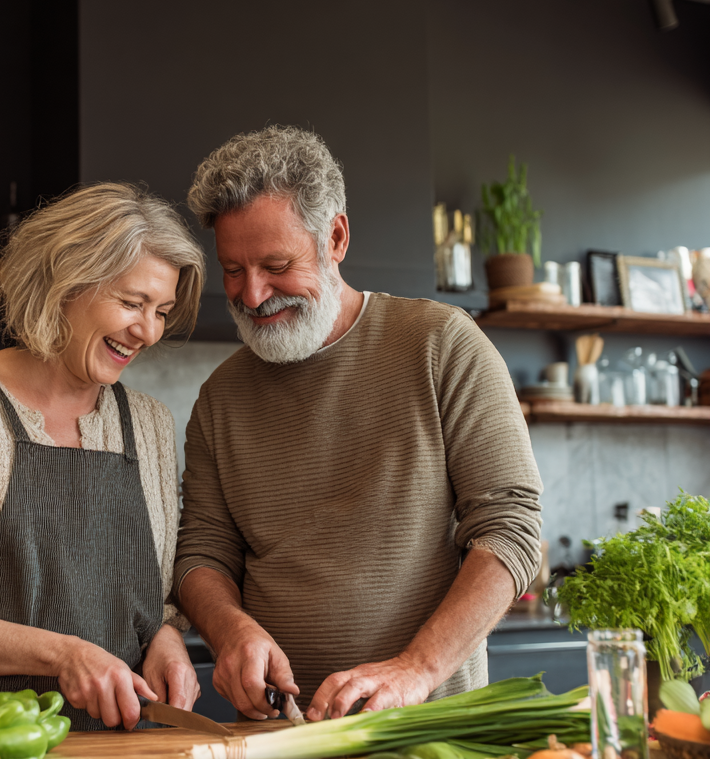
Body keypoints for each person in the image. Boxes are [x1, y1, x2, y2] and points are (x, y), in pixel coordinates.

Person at [174, 126, 543, 723]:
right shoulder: (221, 398)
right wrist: (229, 630)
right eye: (233, 269)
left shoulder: (441, 345)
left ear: (336, 237)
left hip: (428, 727)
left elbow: (511, 529)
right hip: (282, 732)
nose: (252, 293)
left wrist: (415, 671)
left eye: (276, 264)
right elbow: (201, 554)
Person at [0, 182, 205, 743]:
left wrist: (166, 642)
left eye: (161, 311)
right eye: (131, 303)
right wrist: (63, 654)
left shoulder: (148, 423)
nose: (148, 332)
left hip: (111, 752)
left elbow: (155, 604)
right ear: (65, 284)